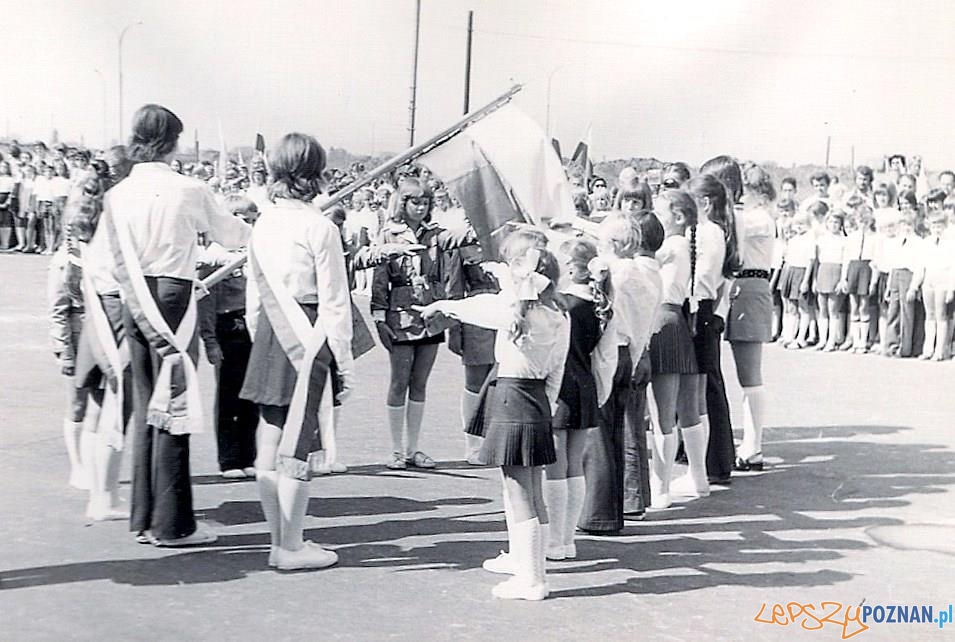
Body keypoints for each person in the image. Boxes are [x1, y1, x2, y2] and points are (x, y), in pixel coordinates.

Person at [105, 104, 250, 547]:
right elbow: (233, 236)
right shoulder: (188, 188)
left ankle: (147, 517)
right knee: (174, 403)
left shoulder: (118, 193)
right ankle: (172, 524)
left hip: (135, 298)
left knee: (150, 399)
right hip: (173, 297)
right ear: (172, 142)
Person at [418, 240, 570, 601]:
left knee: (518, 493)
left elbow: (480, 308)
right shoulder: (559, 316)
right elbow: (557, 372)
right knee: (532, 491)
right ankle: (528, 565)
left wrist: (442, 305)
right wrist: (544, 407)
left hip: (511, 397)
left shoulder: (513, 314)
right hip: (535, 400)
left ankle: (531, 579)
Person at [239, 132, 351, 570]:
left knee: (270, 432)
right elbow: (335, 301)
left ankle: (279, 540)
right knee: (300, 439)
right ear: (316, 173)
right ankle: (290, 546)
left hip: (270, 329)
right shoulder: (320, 226)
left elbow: (254, 294)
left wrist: (260, 335)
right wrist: (342, 362)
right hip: (310, 332)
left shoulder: (264, 221)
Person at [371, 178, 472, 470]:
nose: (420, 207)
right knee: (398, 380)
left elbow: (459, 240)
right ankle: (395, 450)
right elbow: (380, 280)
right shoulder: (388, 235)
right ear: (402, 203)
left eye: (425, 202)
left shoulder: (436, 234)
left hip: (430, 314)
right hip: (399, 315)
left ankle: (413, 448)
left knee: (419, 383)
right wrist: (379, 317)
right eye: (414, 201)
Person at [544, 238, 608, 558]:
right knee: (575, 466)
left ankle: (555, 539)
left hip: (562, 385)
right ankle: (567, 539)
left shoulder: (562, 304)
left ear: (570, 267)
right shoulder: (599, 303)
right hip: (585, 385)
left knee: (556, 464)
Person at [197, 195, 260, 479]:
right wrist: (210, 341)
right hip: (228, 328)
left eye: (252, 221)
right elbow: (206, 303)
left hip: (252, 327)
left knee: (251, 397)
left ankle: (249, 455)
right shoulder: (215, 255)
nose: (248, 226)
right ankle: (229, 459)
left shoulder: (254, 250)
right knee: (228, 397)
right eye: (242, 220)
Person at [646, 189, 700, 508]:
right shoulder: (679, 245)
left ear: (678, 217)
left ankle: (660, 487)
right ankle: (661, 485)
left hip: (662, 321)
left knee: (662, 416)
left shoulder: (673, 245)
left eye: (660, 212)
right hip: (670, 319)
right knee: (665, 414)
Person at [686, 173, 738, 486]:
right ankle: (715, 459)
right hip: (705, 308)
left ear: (704, 203)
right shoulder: (714, 230)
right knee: (708, 385)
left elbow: (703, 276)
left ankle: (715, 461)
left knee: (705, 387)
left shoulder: (708, 232)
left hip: (699, 307)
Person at [729, 165, 777, 471]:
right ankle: (749, 444)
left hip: (751, 283)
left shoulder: (758, 217)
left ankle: (753, 446)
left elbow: (734, 227)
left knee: (749, 374)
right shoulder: (749, 215)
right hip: (739, 285)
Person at [914, 209, 953, 360]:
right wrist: (916, 284)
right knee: (929, 315)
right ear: (929, 226)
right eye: (934, 226)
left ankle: (940, 350)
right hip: (928, 280)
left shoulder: (950, 244)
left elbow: (953, 267)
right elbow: (921, 265)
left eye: (940, 226)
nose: (937, 229)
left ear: (945, 226)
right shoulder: (926, 243)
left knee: (941, 315)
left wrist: (951, 288)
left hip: (943, 281)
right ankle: (928, 349)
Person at [841, 205, 877, 353]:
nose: (863, 224)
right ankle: (855, 341)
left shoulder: (875, 237)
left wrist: (873, 281)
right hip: (853, 269)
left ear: (870, 221)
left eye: (866, 221)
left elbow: (876, 261)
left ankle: (863, 341)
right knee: (853, 305)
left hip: (866, 270)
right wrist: (843, 278)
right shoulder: (852, 237)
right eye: (860, 221)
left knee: (864, 305)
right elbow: (846, 259)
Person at [813, 210, 848, 352]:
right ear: (826, 223)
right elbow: (816, 260)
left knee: (833, 309)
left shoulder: (844, 240)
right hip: (823, 271)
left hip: (836, 271)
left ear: (841, 225)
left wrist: (842, 279)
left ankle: (831, 341)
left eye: (836, 222)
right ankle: (822, 340)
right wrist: (815, 279)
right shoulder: (821, 239)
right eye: (831, 222)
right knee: (822, 309)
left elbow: (846, 261)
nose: (833, 225)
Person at [0, 161, 15, 250]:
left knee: (6, 223)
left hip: (5, 199)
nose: (3, 168)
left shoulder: (10, 179)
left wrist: (7, 203)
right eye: (1, 166)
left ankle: (5, 243)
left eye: (5, 167)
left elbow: (12, 192)